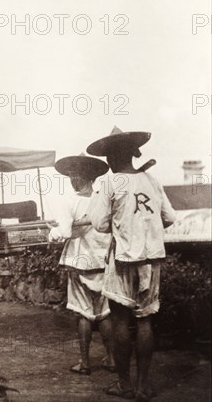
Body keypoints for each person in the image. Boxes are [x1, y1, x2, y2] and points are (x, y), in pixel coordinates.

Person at [87, 126, 176, 402]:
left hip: (124, 258)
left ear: (112, 158)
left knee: (121, 320)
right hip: (151, 259)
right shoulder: (152, 180)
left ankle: (125, 385)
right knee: (146, 319)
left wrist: (125, 224)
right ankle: (143, 385)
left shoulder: (109, 184)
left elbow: (100, 224)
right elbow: (170, 217)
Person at [49, 153, 115, 376]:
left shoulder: (70, 201)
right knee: (104, 312)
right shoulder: (103, 199)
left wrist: (53, 232)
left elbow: (66, 232)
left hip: (79, 261)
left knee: (83, 313)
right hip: (103, 261)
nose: (71, 179)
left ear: (79, 177)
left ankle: (85, 363)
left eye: (72, 175)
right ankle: (112, 359)